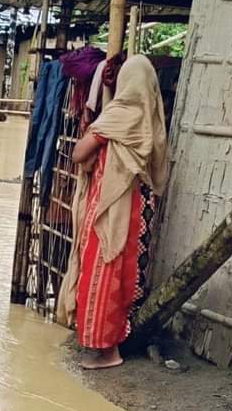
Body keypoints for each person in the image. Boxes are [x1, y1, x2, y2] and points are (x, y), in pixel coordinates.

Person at [56, 54, 168, 369]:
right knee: (121, 273)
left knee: (102, 270)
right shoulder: (152, 117)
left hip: (112, 208)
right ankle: (112, 344)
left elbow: (79, 153)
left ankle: (108, 351)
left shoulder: (120, 114)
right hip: (136, 208)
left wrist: (94, 129)